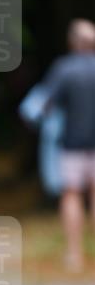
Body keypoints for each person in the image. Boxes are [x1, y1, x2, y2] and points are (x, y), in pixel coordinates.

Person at [42, 19, 95, 272]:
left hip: (72, 144)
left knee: (72, 194)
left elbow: (46, 104)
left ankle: (74, 253)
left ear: (72, 41)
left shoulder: (64, 69)